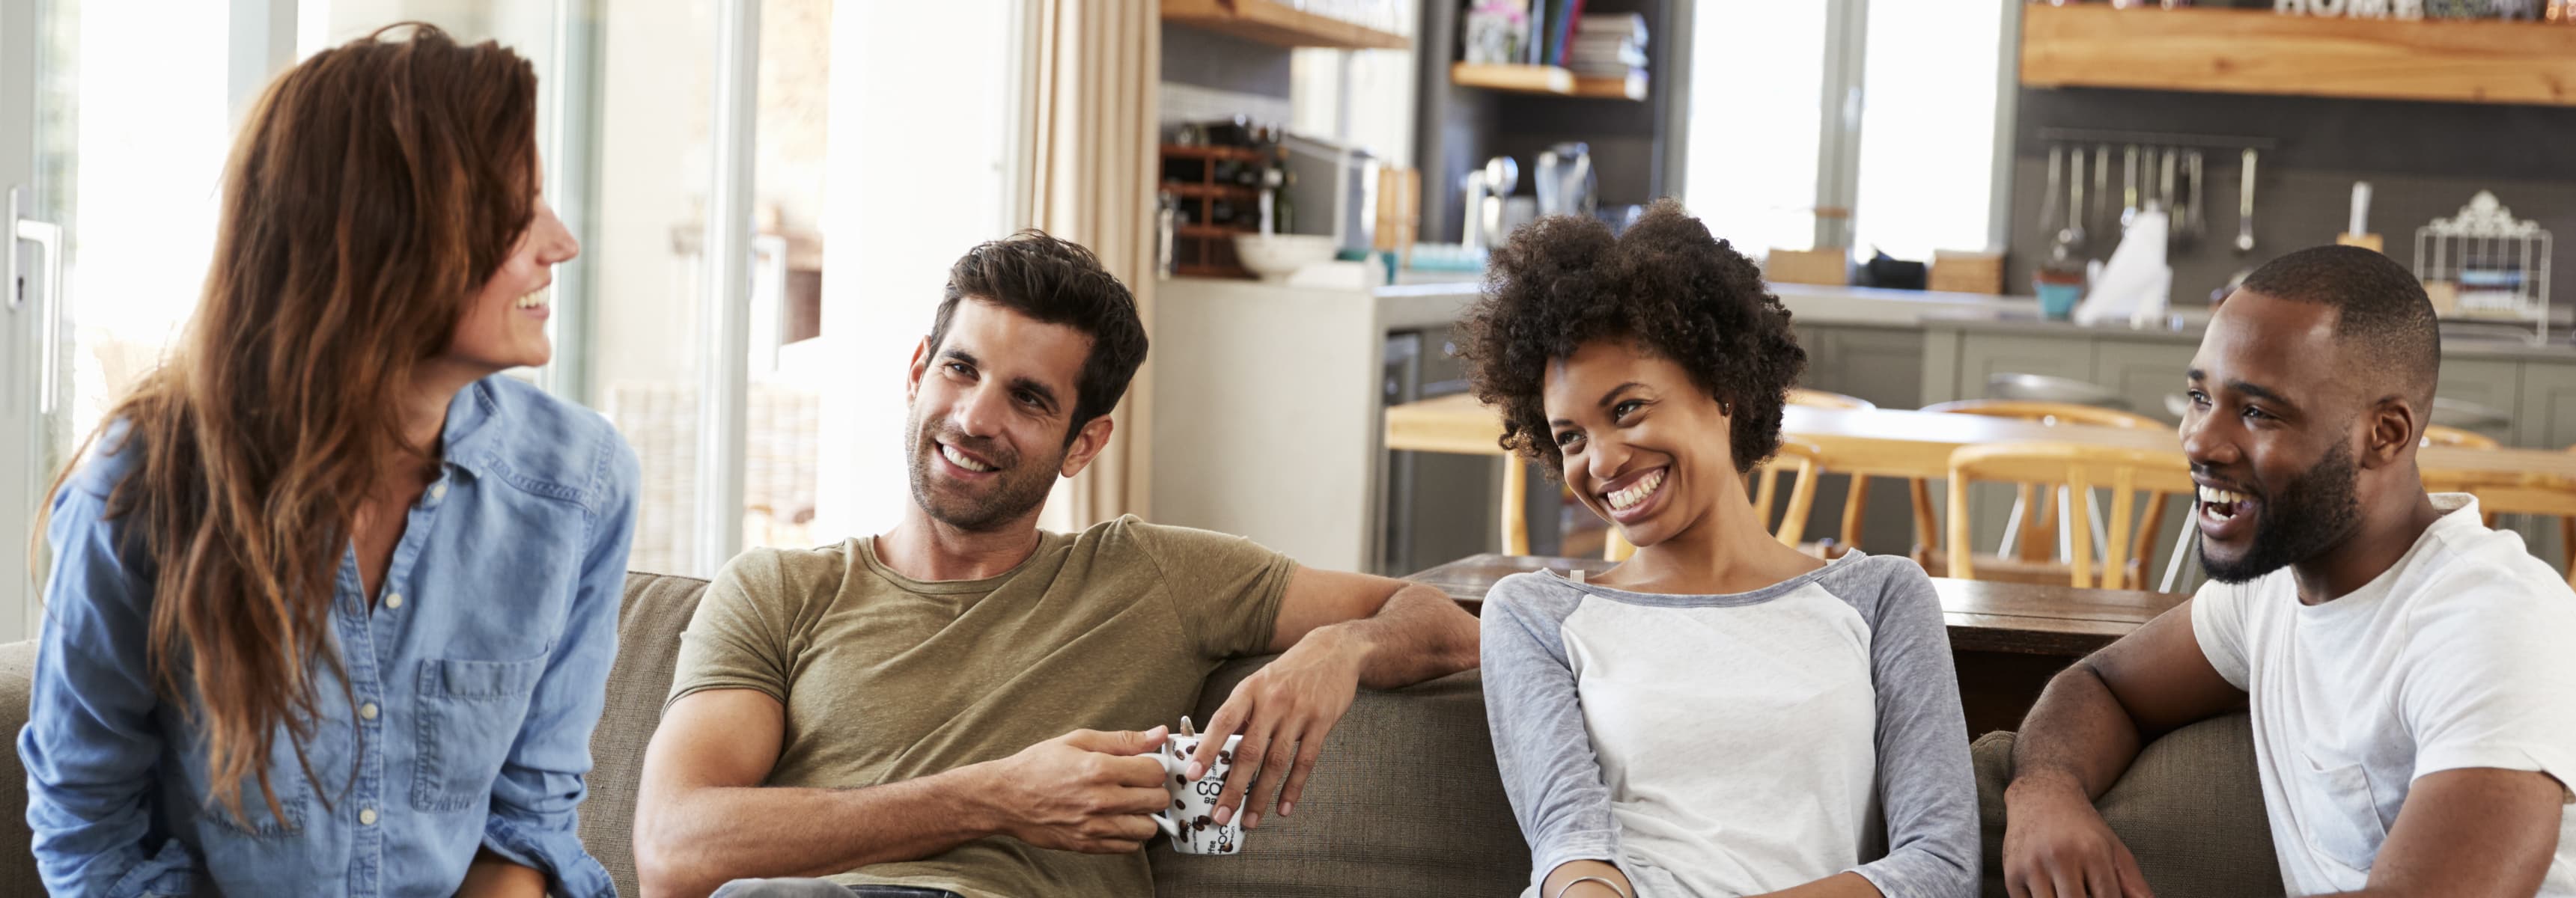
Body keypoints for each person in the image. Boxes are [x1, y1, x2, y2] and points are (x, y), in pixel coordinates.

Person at [629, 232, 1482, 898]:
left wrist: (1342, 651)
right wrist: (999, 796)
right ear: (918, 372)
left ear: (1084, 444)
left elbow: (1448, 621)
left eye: (1028, 400)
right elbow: (674, 854)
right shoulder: (775, 592)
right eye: (960, 369)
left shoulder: (1151, 575)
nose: (973, 418)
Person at [22, 24, 628, 898]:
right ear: (387, 232)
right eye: (516, 210)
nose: (561, 242)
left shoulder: (581, 483)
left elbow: (526, 830)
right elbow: (90, 834)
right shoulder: (144, 485)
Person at [1999, 245, 2576, 898]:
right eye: (2200, 397)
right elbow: (2102, 686)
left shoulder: (2498, 624)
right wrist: (2044, 795)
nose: (2200, 440)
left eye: (2259, 411)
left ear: (2386, 434)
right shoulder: (2270, 592)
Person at [1461, 206, 1979, 898]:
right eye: (1572, 438)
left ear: (1724, 389)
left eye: (1627, 409)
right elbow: (1571, 853)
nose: (1603, 462)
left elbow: (1940, 867)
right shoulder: (1534, 615)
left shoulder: (1881, 599)